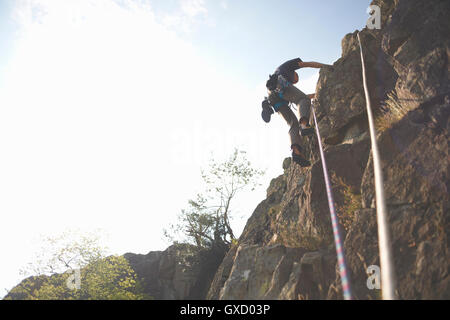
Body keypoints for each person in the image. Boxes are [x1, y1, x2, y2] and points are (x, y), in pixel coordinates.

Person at [261, 58, 334, 167]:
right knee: (303, 100)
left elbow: (299, 96)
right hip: (279, 84)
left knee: (292, 124)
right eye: (296, 79)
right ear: (295, 73)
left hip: (273, 96)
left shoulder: (283, 76)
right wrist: (327, 66)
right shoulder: (288, 66)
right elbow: (309, 64)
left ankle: (296, 152)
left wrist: (317, 93)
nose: (295, 82)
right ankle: (304, 125)